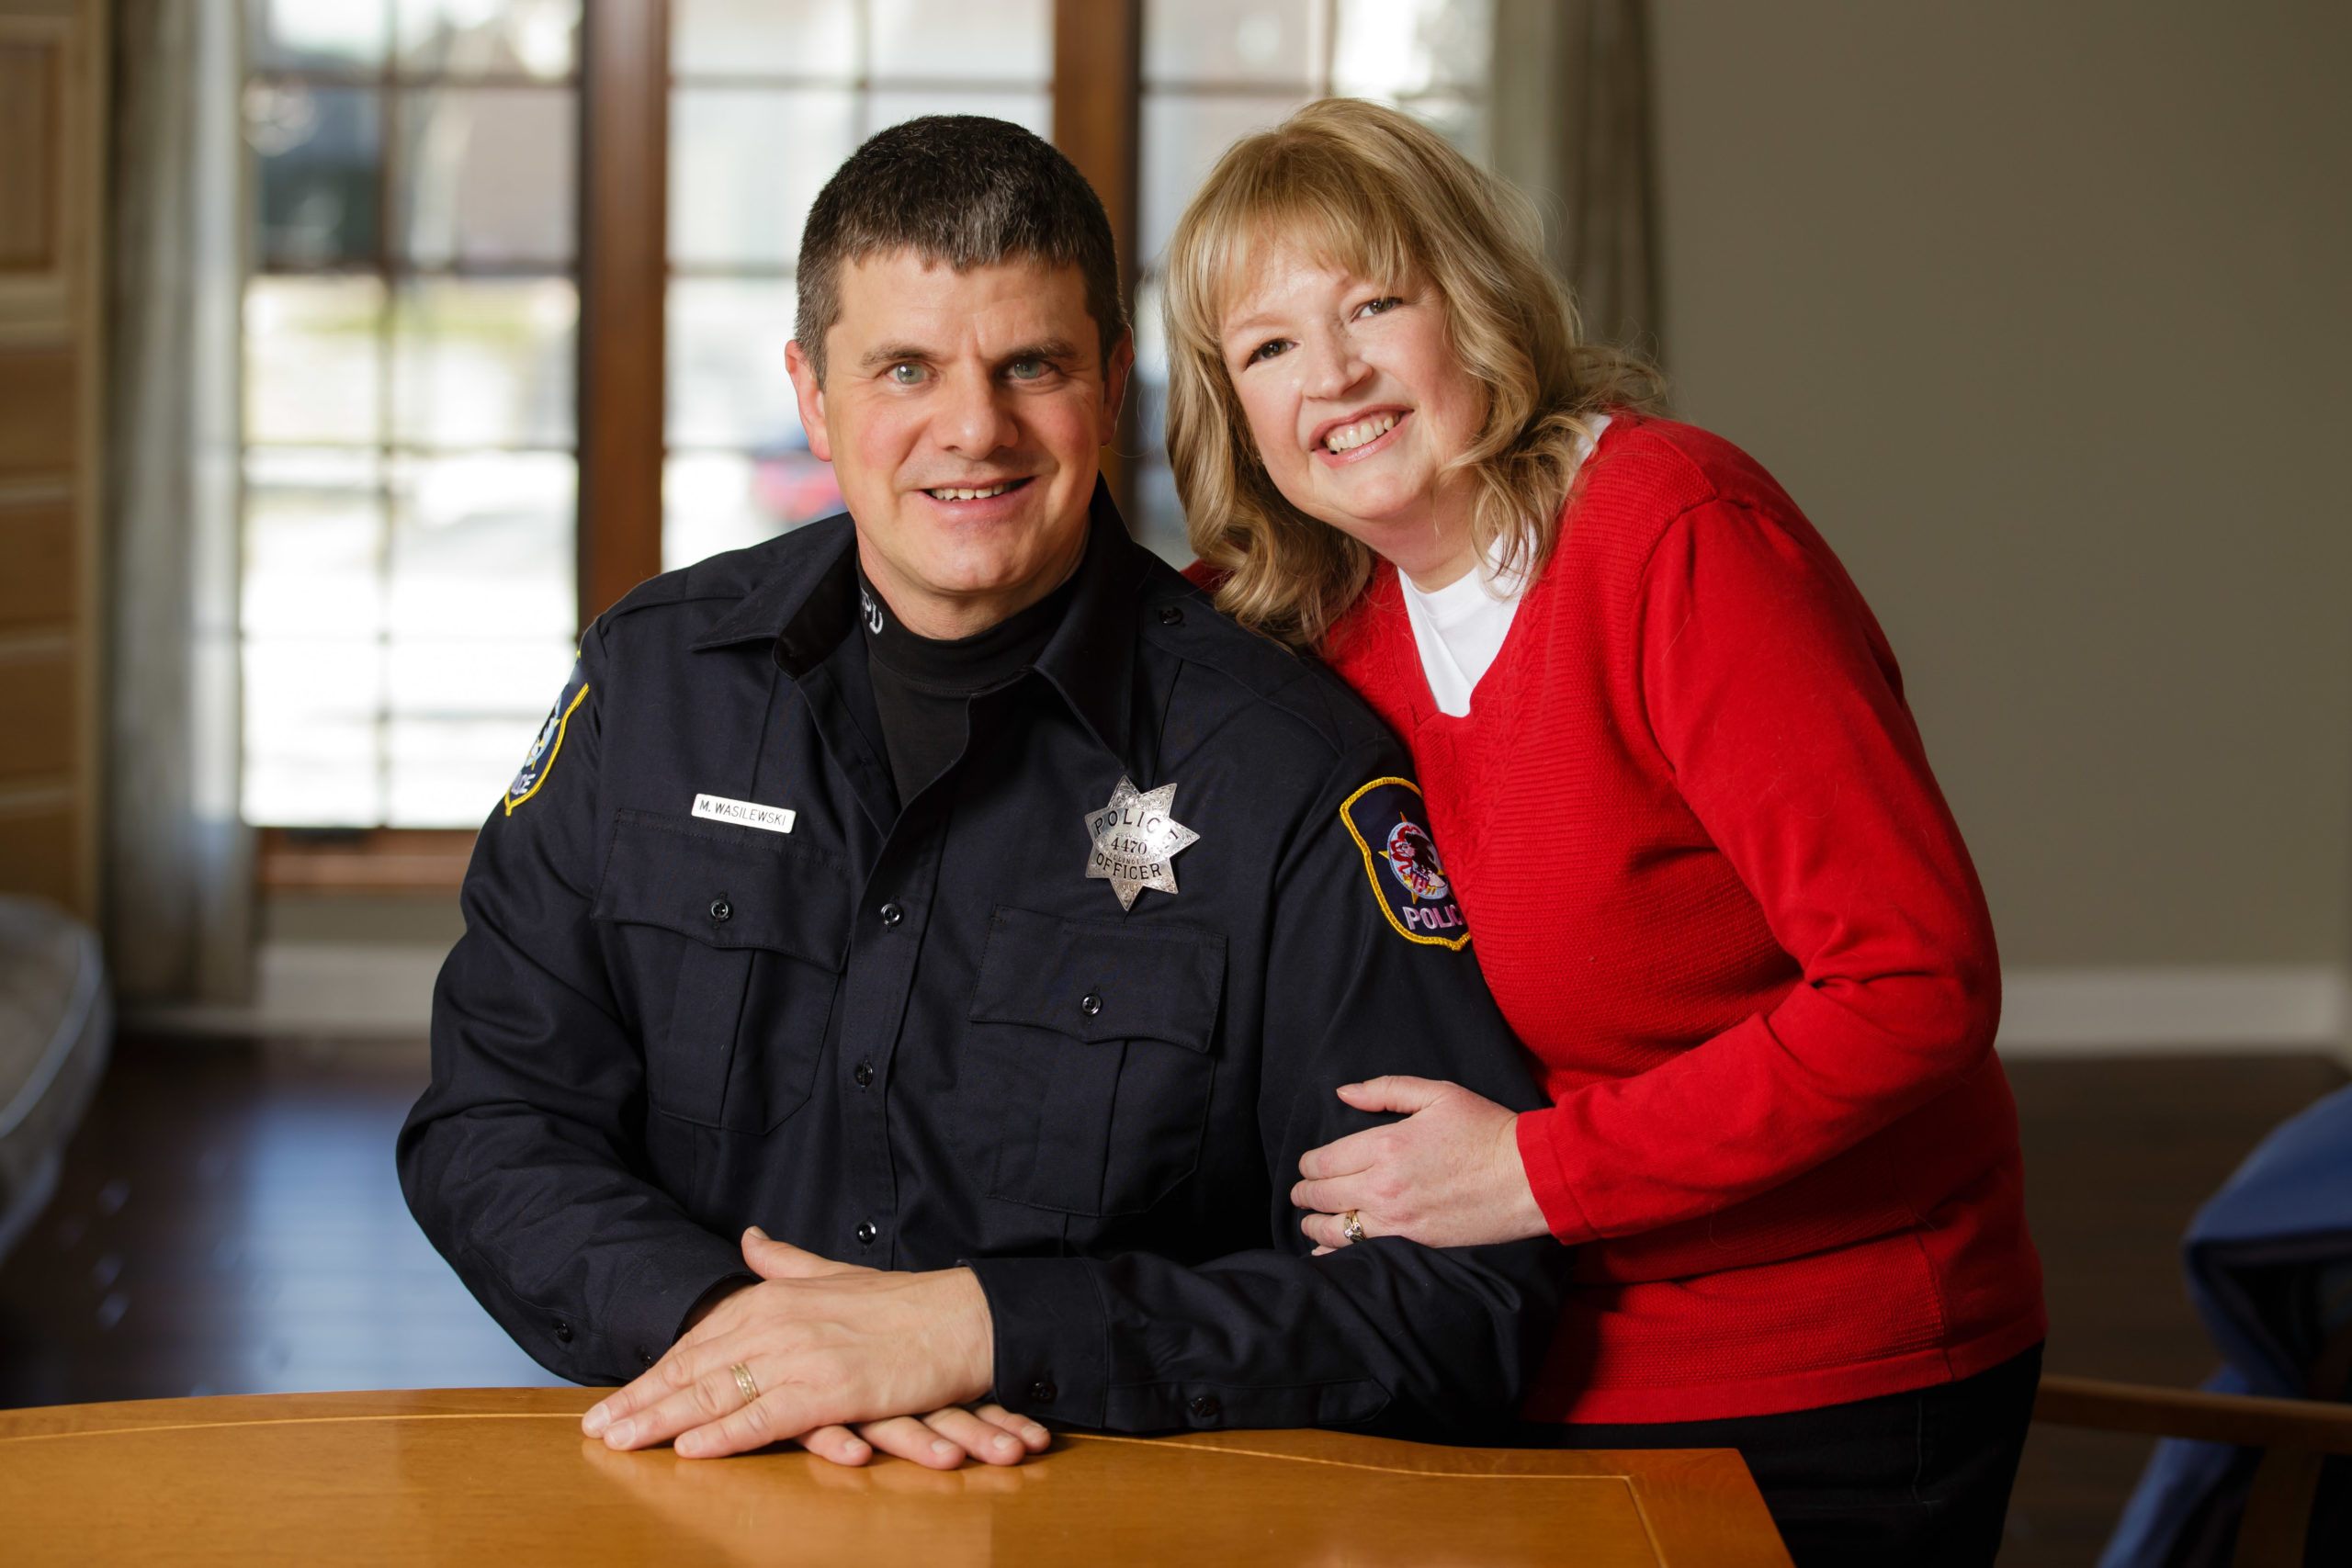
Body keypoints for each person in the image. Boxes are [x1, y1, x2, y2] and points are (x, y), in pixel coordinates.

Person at [398, 114, 1565, 1471]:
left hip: (1117, 1520)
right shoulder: (656, 685)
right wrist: (739, 1335)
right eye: (905, 367)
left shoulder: (1289, 771)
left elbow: (1456, 1303)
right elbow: (492, 1121)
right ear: (810, 393)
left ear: (1113, 380)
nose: (974, 428)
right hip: (699, 1474)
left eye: (1032, 366)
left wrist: (985, 1331)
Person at [1163, 99, 2046, 1566]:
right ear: (1236, 413)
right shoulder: (1313, 618)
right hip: (1501, 1348)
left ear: (1480, 305)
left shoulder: (1668, 531)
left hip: (1815, 1367)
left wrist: (1537, 1173)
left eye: (1377, 302)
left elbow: (1914, 986)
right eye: (1268, 348)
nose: (1335, 376)